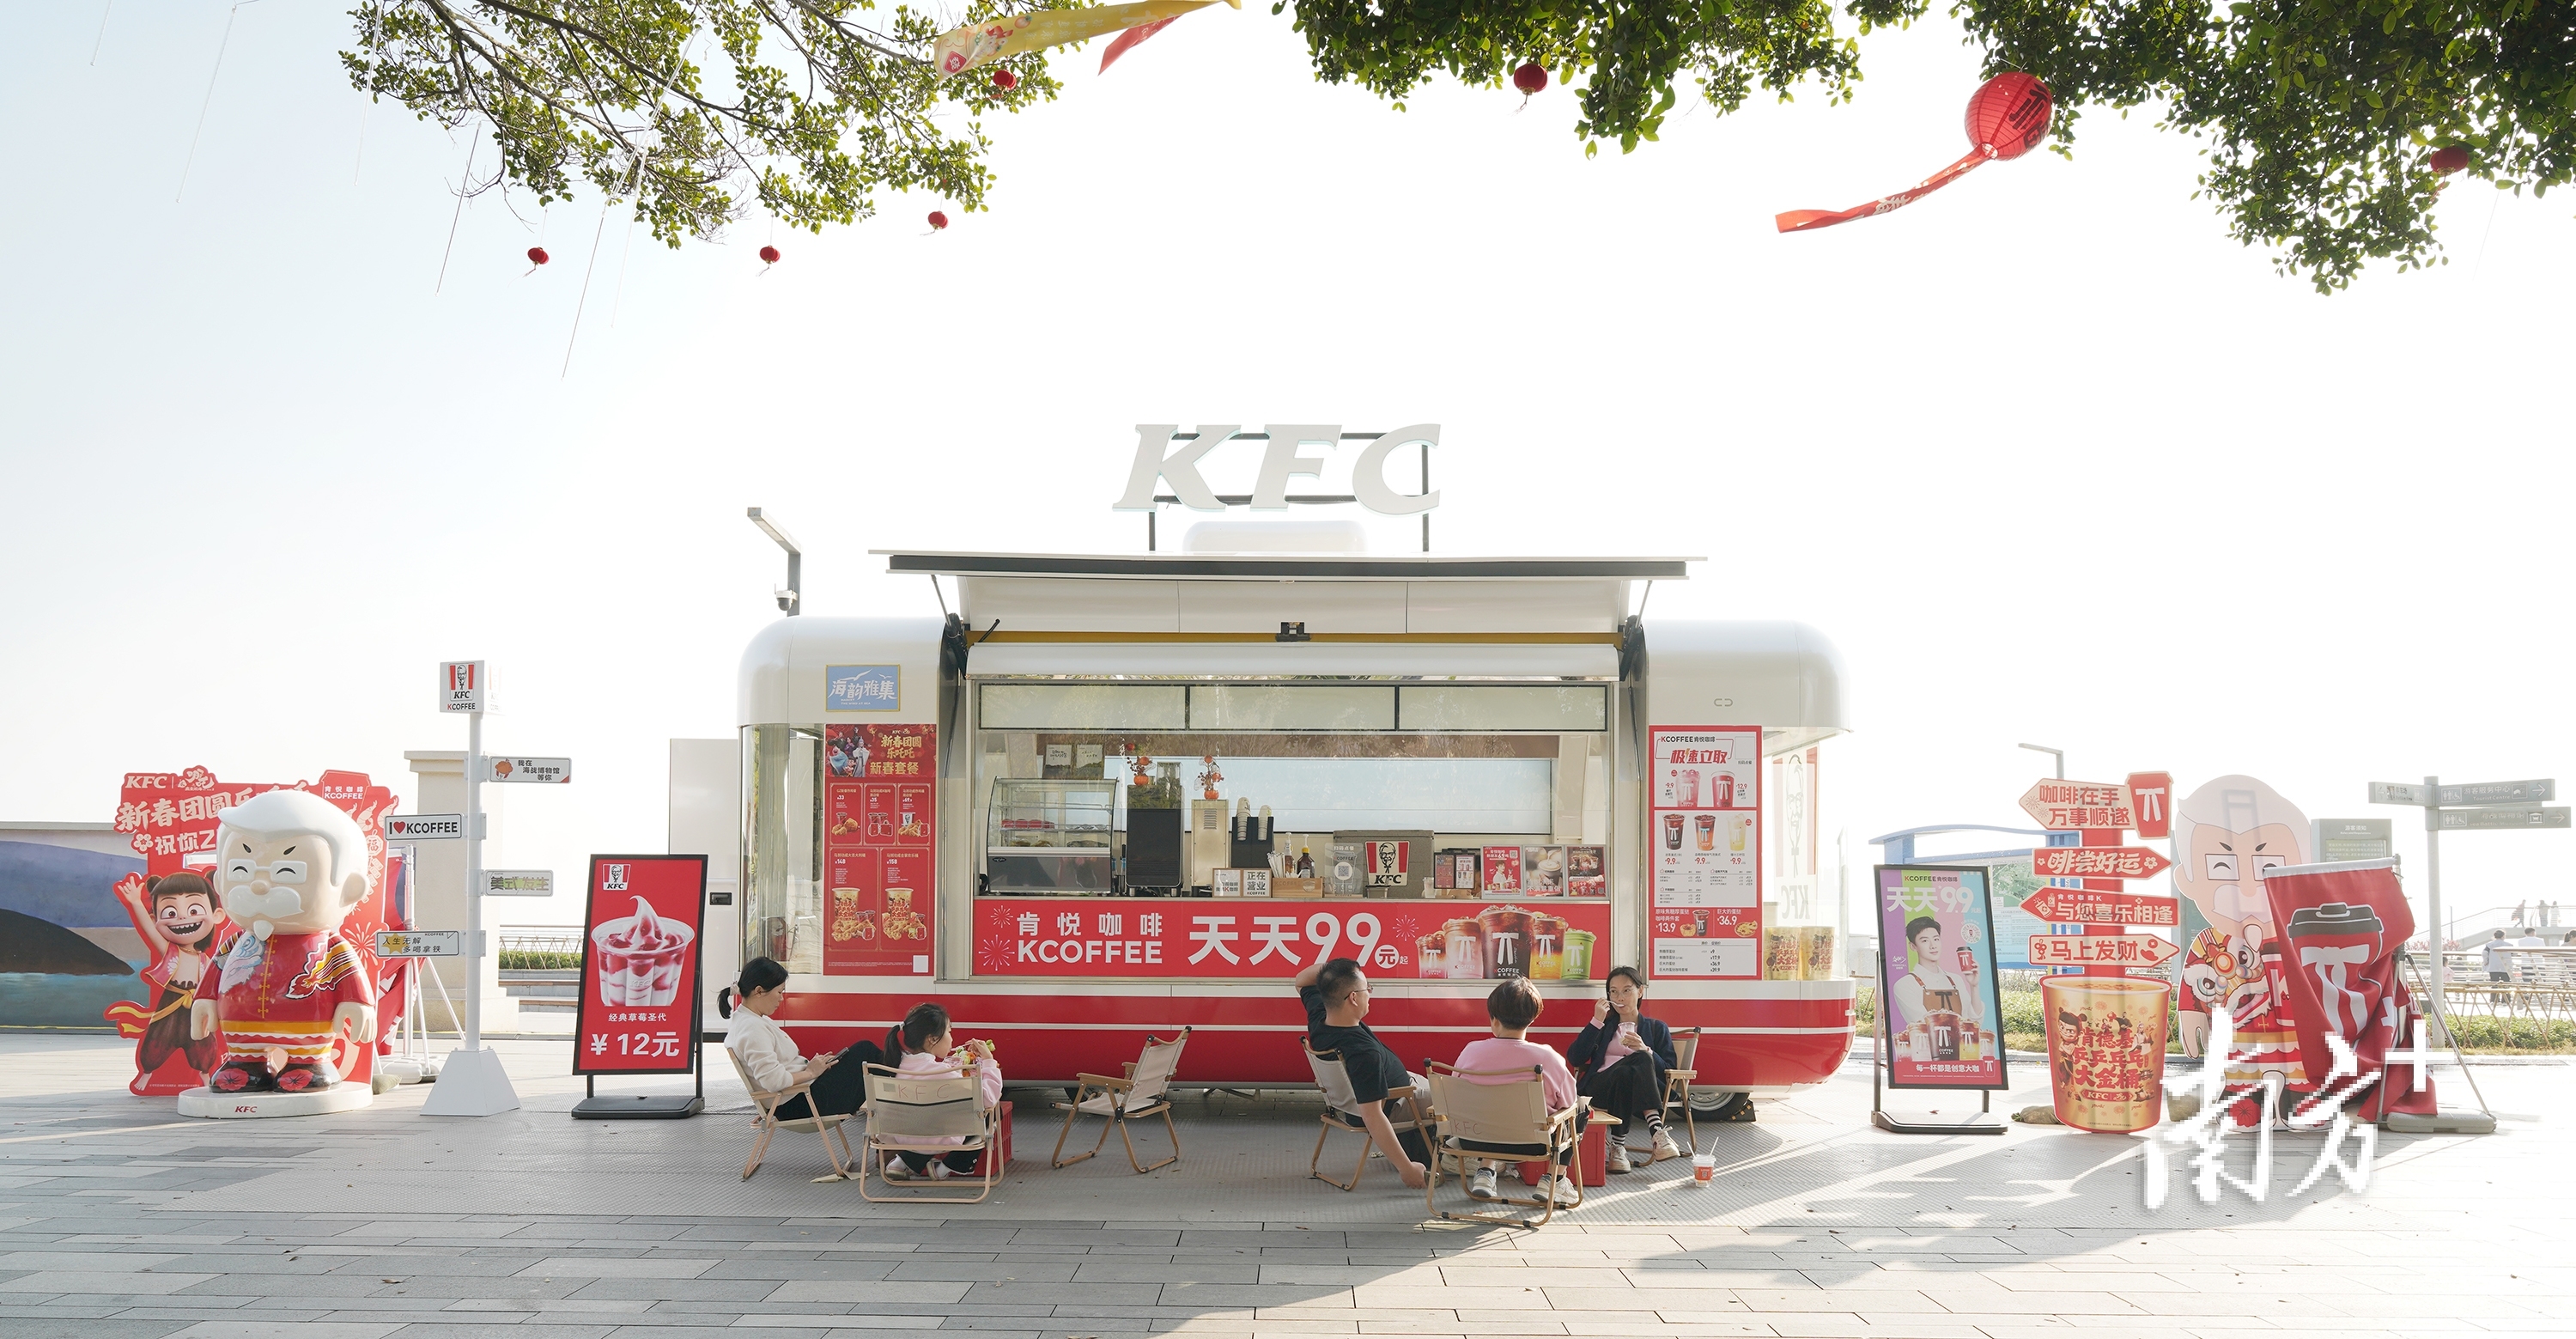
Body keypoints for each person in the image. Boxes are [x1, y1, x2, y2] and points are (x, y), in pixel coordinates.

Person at [1293, 956, 1431, 1189]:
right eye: (1368, 988)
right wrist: (1406, 1168)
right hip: (1400, 1103)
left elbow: (1301, 980)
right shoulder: (1363, 1053)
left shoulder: (1320, 1016)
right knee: (1460, 1099)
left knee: (1441, 1086)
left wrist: (1335, 971)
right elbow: (1372, 1115)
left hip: (1366, 1096)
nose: (1370, 994)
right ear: (1353, 998)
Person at [1453, 977, 1581, 1207]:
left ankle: (1485, 1173)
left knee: (1492, 1111)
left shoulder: (1470, 1052)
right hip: (1532, 1144)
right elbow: (1568, 1102)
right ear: (1532, 1018)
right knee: (1580, 1110)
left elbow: (1457, 1095)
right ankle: (1554, 1180)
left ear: (1494, 1019)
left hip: (1473, 1140)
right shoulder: (1548, 1058)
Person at [720, 956, 884, 1121]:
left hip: (799, 1097)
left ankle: (892, 1098)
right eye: (779, 992)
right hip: (800, 1104)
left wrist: (816, 1067)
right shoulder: (752, 1028)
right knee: (866, 1052)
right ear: (759, 991)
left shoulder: (746, 1020)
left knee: (863, 1056)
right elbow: (773, 1081)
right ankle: (895, 1099)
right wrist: (811, 1071)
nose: (781, 998)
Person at [1567, 966, 1681, 1172]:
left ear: (1640, 991)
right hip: (1599, 1089)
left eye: (1627, 990)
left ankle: (1618, 1147)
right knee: (1634, 1063)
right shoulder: (1604, 1027)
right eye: (1614, 991)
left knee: (1630, 1068)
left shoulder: (1657, 1028)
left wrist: (1646, 1049)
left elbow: (1668, 1071)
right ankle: (1657, 1131)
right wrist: (1596, 1021)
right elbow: (1575, 1057)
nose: (1620, 997)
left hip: (1636, 1090)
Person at [882, 1002, 1004, 1181]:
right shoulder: (944, 1073)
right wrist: (988, 1061)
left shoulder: (896, 1065)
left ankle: (902, 1162)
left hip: (902, 1138)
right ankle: (945, 1168)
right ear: (932, 1039)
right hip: (941, 1139)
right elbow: (988, 1098)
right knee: (991, 1111)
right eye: (949, 1031)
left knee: (925, 1119)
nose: (952, 1038)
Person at [2482, 929, 2516, 1003]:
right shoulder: (2509, 945)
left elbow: (2484, 953)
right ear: (2503, 936)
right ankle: (2506, 1000)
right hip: (2505, 967)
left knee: (2494, 984)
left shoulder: (2489, 945)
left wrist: (2486, 961)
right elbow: (2514, 953)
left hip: (2493, 966)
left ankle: (2494, 1000)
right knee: (2506, 983)